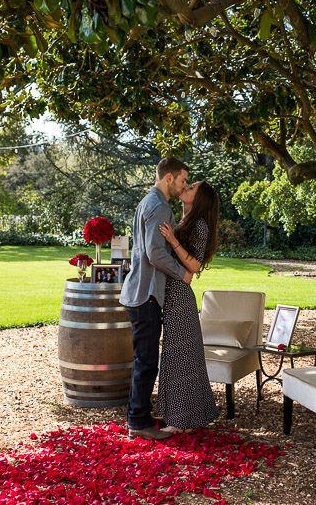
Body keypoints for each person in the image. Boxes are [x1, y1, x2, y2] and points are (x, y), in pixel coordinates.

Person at [119, 157, 194, 441]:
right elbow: (155, 253)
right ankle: (138, 423)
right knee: (146, 361)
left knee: (145, 359)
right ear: (169, 178)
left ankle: (140, 415)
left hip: (140, 290)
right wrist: (182, 273)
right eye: (183, 180)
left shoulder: (147, 201)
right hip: (145, 293)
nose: (184, 186)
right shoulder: (160, 206)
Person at [156, 180, 220, 433]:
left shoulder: (200, 225)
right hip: (171, 294)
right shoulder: (182, 221)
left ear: (200, 197)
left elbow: (193, 267)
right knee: (176, 357)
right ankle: (183, 417)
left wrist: (172, 240)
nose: (186, 187)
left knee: (181, 357)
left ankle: (179, 421)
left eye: (191, 186)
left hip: (180, 296)